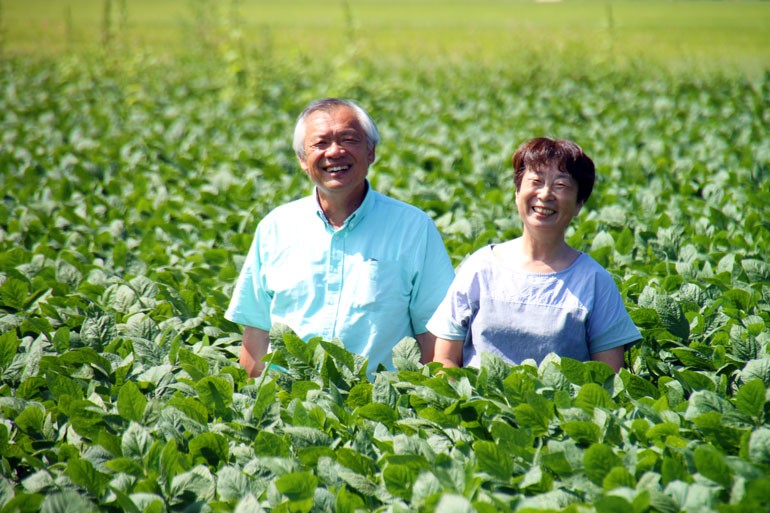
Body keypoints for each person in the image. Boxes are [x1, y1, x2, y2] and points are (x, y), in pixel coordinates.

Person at [225, 98, 455, 377]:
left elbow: (436, 338)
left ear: (371, 152)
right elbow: (256, 337)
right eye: (320, 144)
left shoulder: (412, 227)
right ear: (302, 159)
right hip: (288, 406)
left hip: (379, 404)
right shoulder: (275, 227)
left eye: (348, 139)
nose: (335, 152)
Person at [427, 137, 640, 372]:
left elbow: (609, 377)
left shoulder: (595, 281)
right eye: (536, 181)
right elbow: (444, 361)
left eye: (561, 185)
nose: (546, 194)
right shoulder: (479, 267)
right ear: (517, 193)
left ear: (579, 203)